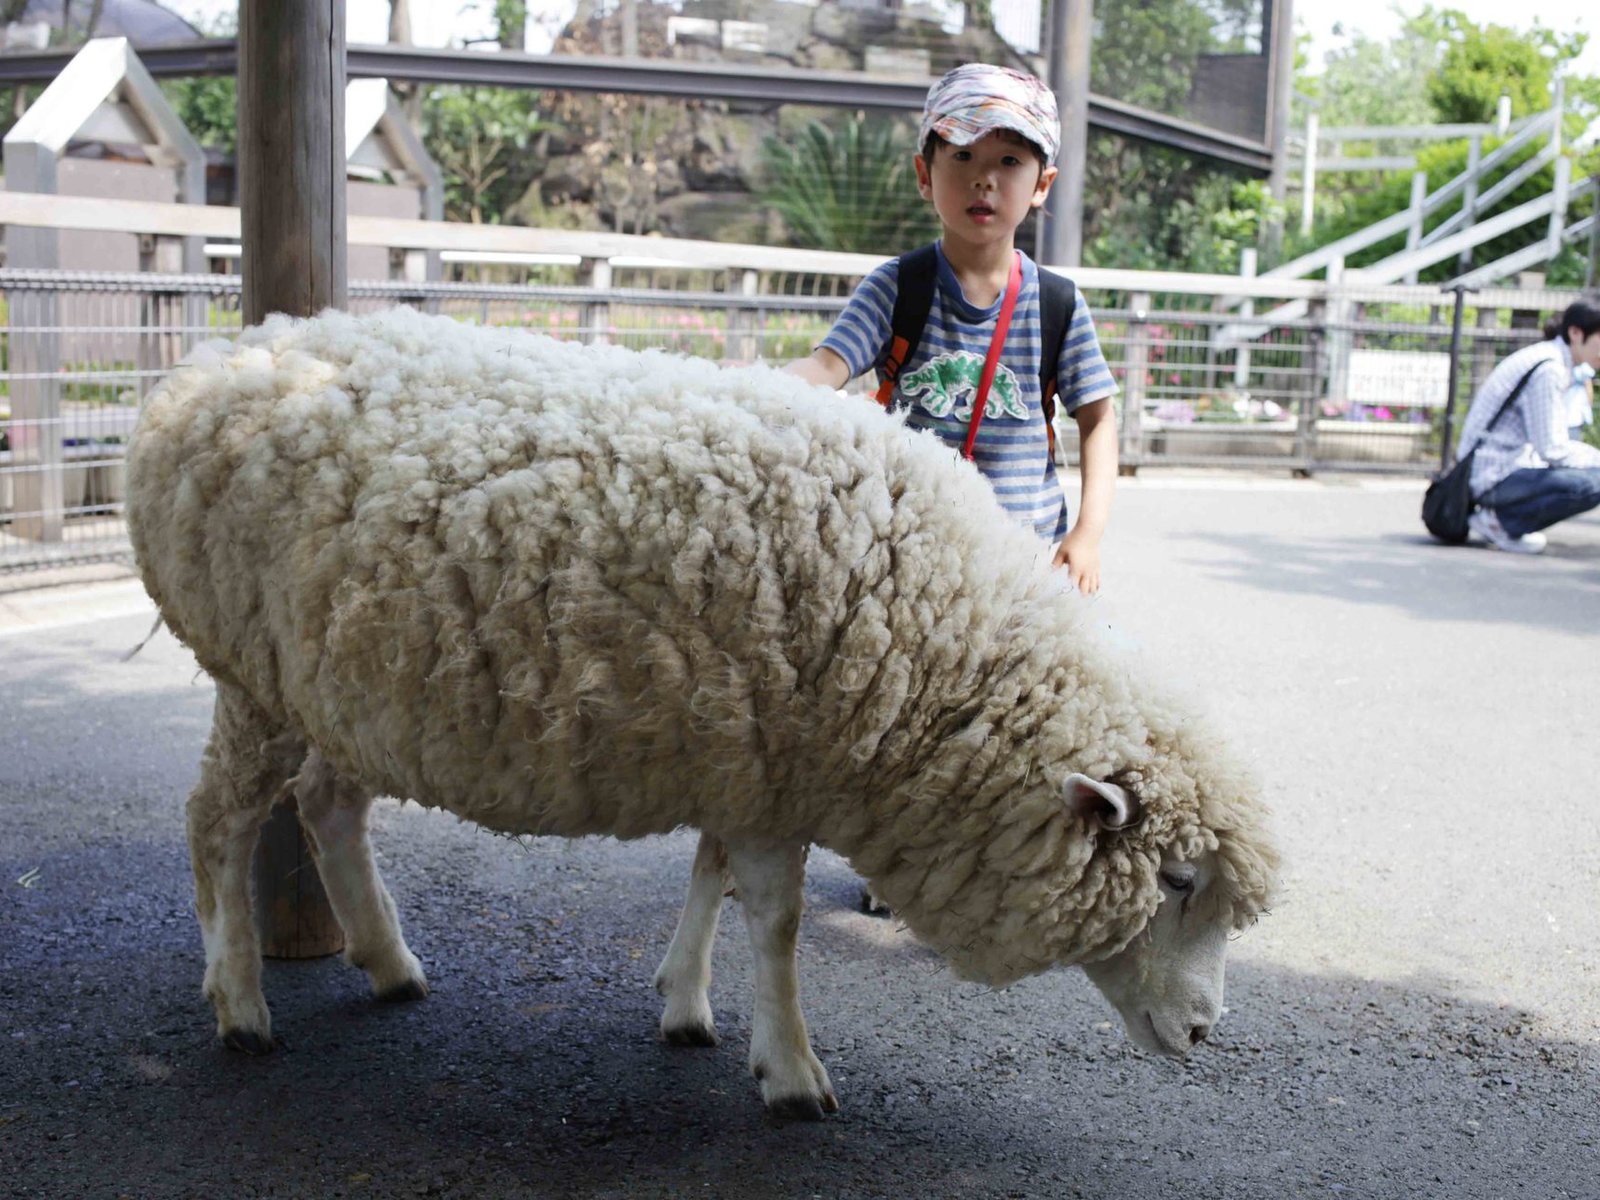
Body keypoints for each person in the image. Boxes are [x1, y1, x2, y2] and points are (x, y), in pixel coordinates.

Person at [785, 62, 1119, 594]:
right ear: (925, 174)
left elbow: (1098, 419)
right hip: (911, 556)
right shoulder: (898, 287)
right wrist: (759, 390)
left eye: (1009, 159)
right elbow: (828, 365)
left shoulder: (1058, 304)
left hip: (1027, 565)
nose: (983, 177)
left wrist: (1088, 532)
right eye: (962, 154)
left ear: (1042, 183)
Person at [1458, 295, 1600, 554]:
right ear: (1576, 332)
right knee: (1592, 483)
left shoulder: (1548, 358)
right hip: (1492, 475)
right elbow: (1552, 449)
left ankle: (1502, 517)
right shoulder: (1550, 369)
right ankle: (1499, 523)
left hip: (1492, 469)